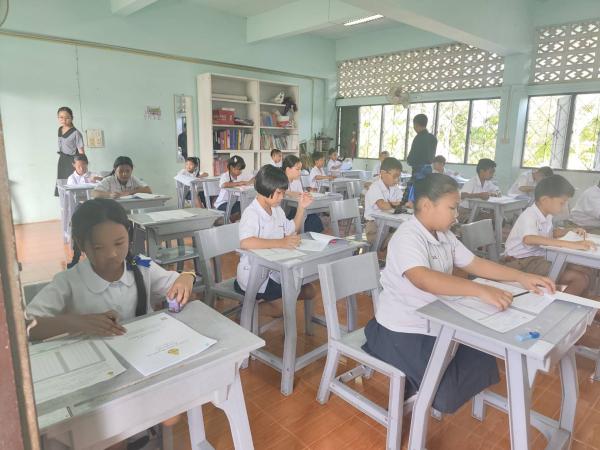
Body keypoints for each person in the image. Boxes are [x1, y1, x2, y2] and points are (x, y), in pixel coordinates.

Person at [362, 173, 555, 413]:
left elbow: (474, 263)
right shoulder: (407, 237)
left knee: (481, 357)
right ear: (426, 205)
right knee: (447, 393)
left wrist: (520, 277)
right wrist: (479, 289)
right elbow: (422, 278)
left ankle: (420, 382)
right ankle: (414, 384)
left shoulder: (444, 235)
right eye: (452, 208)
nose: (456, 215)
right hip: (402, 327)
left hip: (436, 319)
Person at [26, 198, 195, 447]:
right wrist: (76, 322)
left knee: (171, 414)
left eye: (119, 243)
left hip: (142, 364)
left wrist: (187, 276)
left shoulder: (139, 263)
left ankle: (136, 434)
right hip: (94, 377)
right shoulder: (69, 281)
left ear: (129, 235)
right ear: (81, 244)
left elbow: (176, 278)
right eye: (98, 247)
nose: (113, 254)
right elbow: (27, 327)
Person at [234, 165, 316, 303]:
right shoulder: (252, 213)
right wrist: (281, 243)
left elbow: (292, 229)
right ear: (265, 189)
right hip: (254, 277)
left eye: (283, 193)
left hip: (273, 270)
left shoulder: (277, 210)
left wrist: (301, 207)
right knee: (306, 290)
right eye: (278, 193)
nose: (282, 197)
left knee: (306, 285)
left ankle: (269, 306)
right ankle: (261, 308)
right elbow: (246, 242)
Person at [503, 175, 595, 296]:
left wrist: (571, 230)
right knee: (580, 279)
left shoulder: (547, 215)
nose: (564, 206)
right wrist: (571, 244)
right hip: (520, 262)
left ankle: (581, 299)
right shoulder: (530, 215)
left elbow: (550, 233)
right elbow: (529, 239)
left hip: (538, 258)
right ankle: (559, 305)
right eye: (562, 202)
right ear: (545, 200)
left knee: (586, 269)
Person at [364, 157, 403, 246]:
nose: (397, 180)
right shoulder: (375, 187)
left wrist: (405, 203)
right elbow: (382, 205)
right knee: (396, 241)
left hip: (389, 224)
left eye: (398, 177)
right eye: (394, 176)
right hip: (374, 226)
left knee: (402, 235)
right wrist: (396, 204)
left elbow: (402, 201)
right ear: (383, 173)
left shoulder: (395, 188)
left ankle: (386, 250)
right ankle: (382, 251)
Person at [282, 154, 324, 233]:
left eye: (300, 169)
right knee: (311, 219)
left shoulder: (297, 180)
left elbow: (300, 194)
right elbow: (278, 192)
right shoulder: (280, 180)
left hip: (297, 208)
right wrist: (289, 193)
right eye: (297, 169)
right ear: (288, 169)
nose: (300, 172)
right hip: (286, 212)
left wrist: (305, 195)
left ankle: (314, 236)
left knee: (313, 217)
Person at [403, 114, 437, 204]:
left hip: (419, 171)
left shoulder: (418, 138)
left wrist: (409, 160)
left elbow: (412, 157)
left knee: (413, 195)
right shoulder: (433, 138)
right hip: (429, 170)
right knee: (425, 193)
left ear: (416, 124)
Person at [458, 158, 500, 222]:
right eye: (490, 172)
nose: (492, 175)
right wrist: (479, 195)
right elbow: (461, 195)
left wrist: (494, 193)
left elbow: (497, 190)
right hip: (465, 212)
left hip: (477, 211)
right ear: (482, 171)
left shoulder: (488, 182)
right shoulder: (471, 182)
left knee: (497, 218)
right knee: (491, 220)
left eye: (493, 172)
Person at [55, 106, 85, 196]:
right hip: (62, 161)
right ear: (58, 118)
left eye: (67, 118)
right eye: (61, 117)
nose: (64, 120)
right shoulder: (60, 129)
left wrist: (81, 166)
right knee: (62, 186)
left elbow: (81, 152)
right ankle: (64, 204)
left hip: (73, 162)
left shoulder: (76, 133)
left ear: (72, 118)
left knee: (73, 187)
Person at [213, 155, 253, 222]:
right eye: (238, 169)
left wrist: (249, 182)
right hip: (223, 203)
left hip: (234, 202)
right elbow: (223, 185)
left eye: (241, 169)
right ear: (231, 167)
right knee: (241, 210)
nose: (240, 171)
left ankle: (229, 221)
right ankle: (227, 221)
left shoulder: (241, 175)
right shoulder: (225, 175)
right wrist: (239, 183)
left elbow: (254, 178)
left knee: (247, 206)